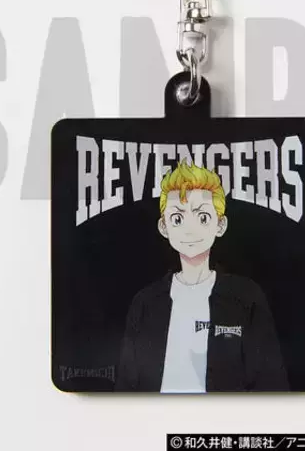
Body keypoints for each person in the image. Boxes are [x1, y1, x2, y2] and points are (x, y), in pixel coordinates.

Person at [115, 160, 289, 392]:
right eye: (178, 219)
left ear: (220, 224)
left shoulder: (246, 298)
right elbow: (126, 388)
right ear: (164, 227)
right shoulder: (145, 303)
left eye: (203, 217)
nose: (190, 229)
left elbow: (271, 385)